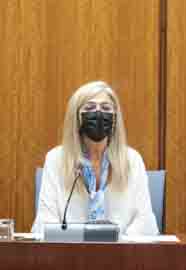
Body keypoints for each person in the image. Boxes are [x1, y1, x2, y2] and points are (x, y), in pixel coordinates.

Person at [32, 81, 159, 235]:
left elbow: (144, 221)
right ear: (76, 117)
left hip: (122, 254)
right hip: (69, 254)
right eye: (90, 107)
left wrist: (118, 246)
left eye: (106, 108)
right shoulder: (56, 159)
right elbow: (45, 222)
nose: (98, 114)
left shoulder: (132, 160)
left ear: (115, 119)